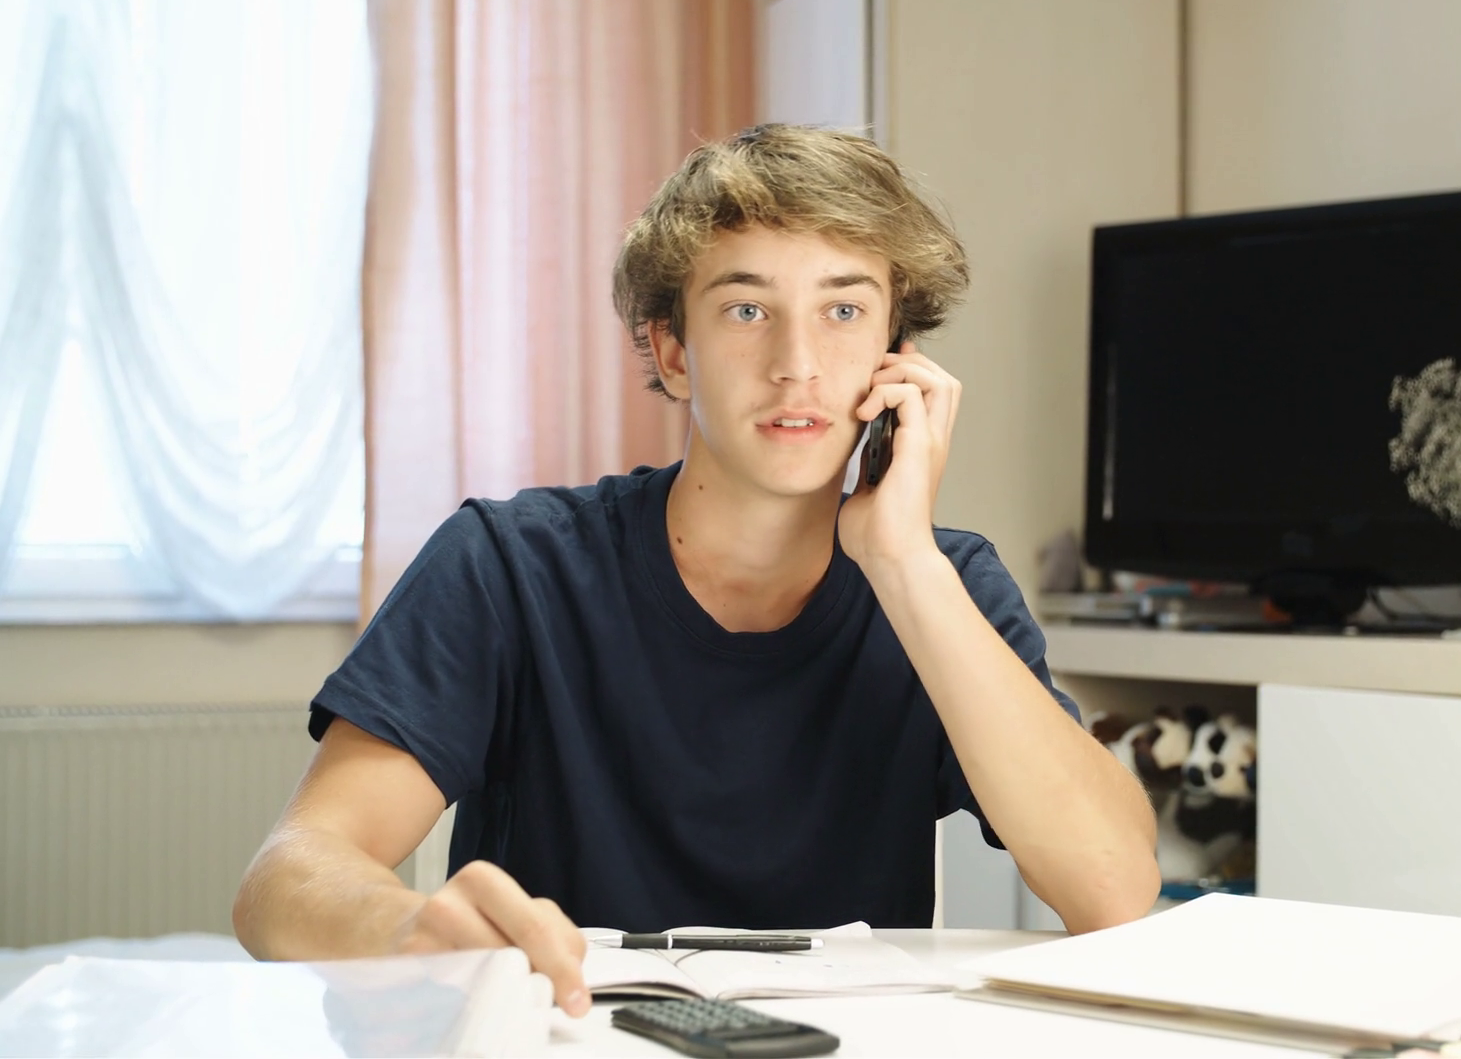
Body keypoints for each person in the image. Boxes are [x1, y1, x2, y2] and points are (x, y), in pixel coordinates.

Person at [233, 124, 1159, 1018]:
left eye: (843, 311)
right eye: (747, 310)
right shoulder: (510, 564)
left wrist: (904, 562)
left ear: (897, 360)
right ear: (674, 353)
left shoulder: (945, 583)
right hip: (568, 1035)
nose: (797, 365)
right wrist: (406, 929)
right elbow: (288, 875)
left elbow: (1114, 890)